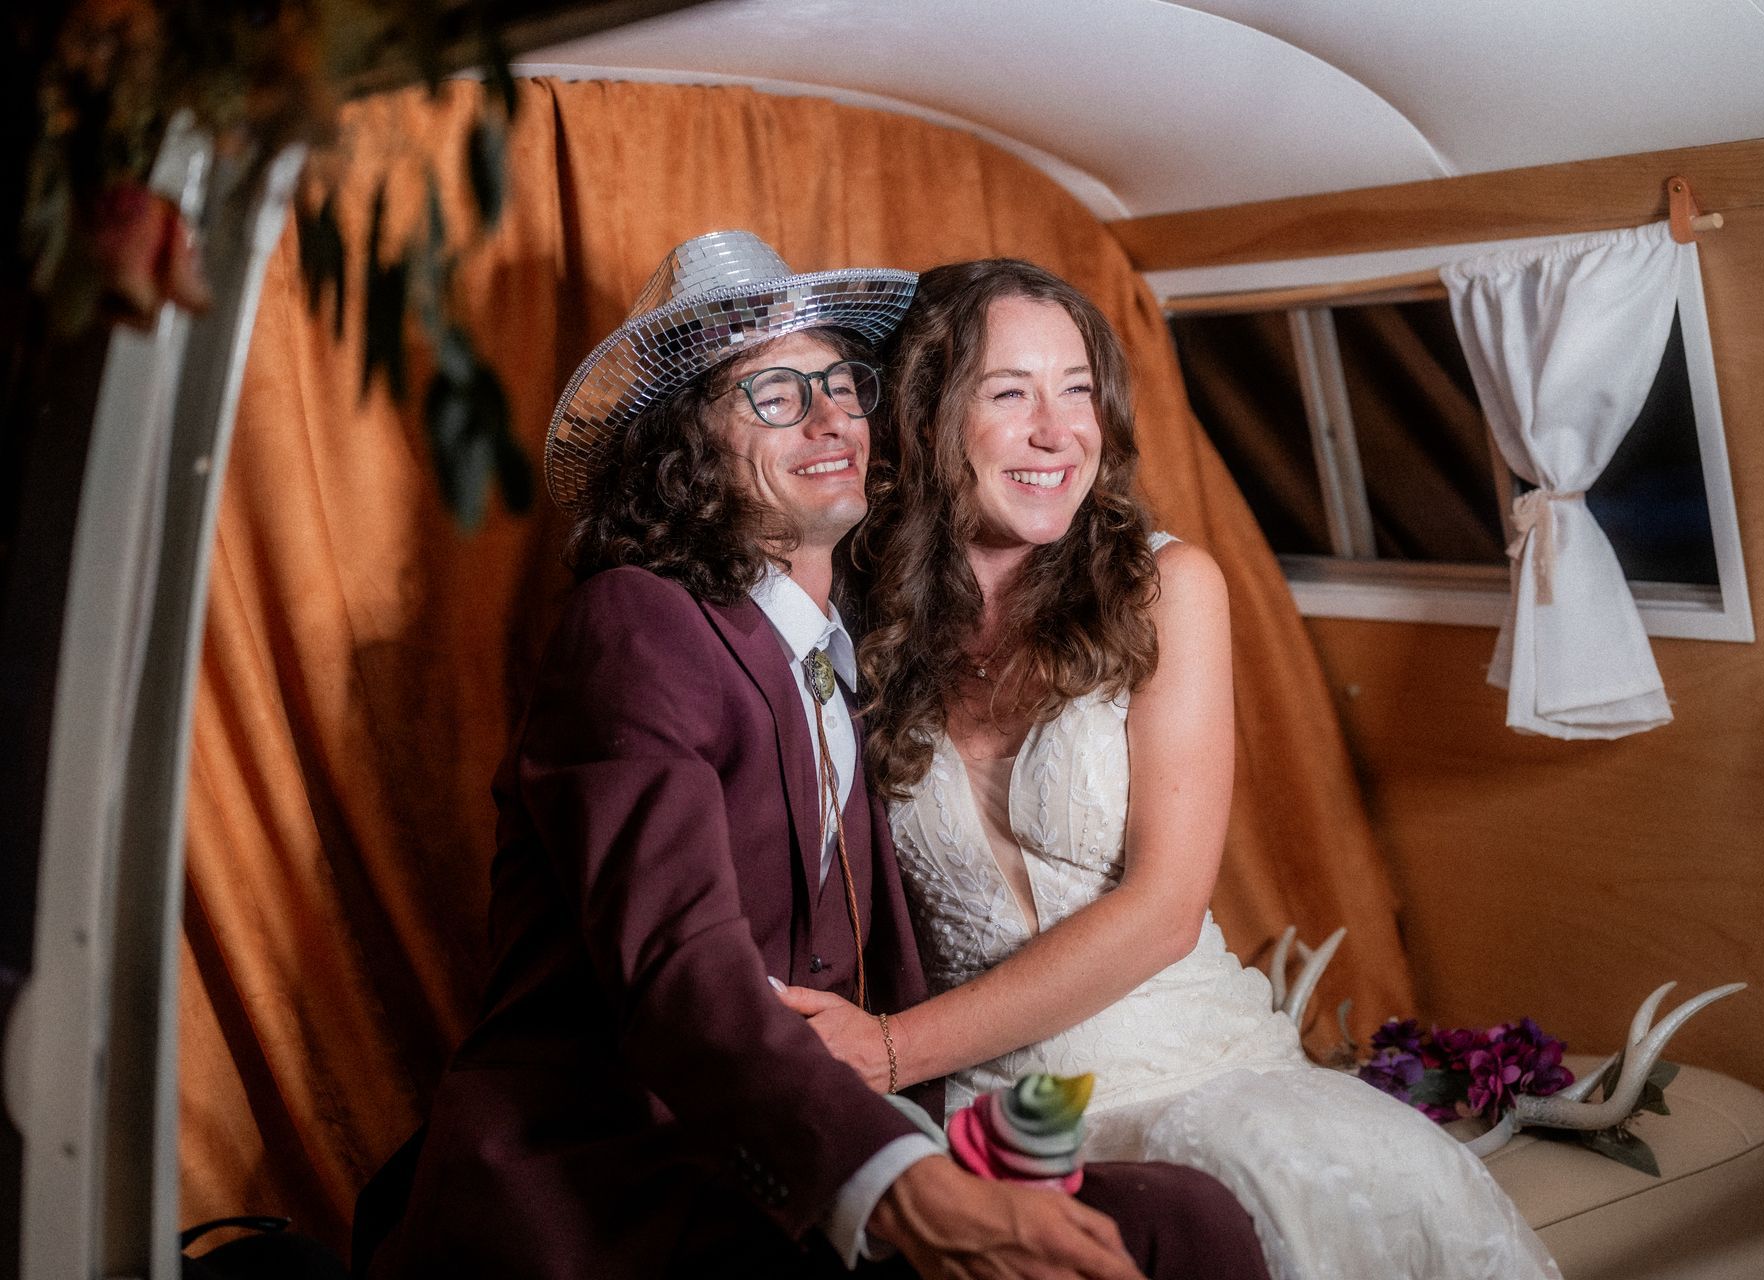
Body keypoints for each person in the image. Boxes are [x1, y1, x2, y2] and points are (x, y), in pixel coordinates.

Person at [352, 231, 1270, 1280]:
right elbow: (679, 973)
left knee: (1184, 1219)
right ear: (688, 444)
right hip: (632, 1181)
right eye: (776, 395)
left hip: (813, 1156)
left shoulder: (857, 646)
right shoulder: (638, 625)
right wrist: (903, 1185)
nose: (834, 416)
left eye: (842, 382)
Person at [777, 257, 1565, 1280]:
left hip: (1196, 1065)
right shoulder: (855, 628)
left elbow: (1163, 910)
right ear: (925, 420)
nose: (1059, 431)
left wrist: (888, 1050)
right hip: (990, 1109)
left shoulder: (1167, 588)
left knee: (1288, 1185)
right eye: (1011, 393)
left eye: (1077, 391)